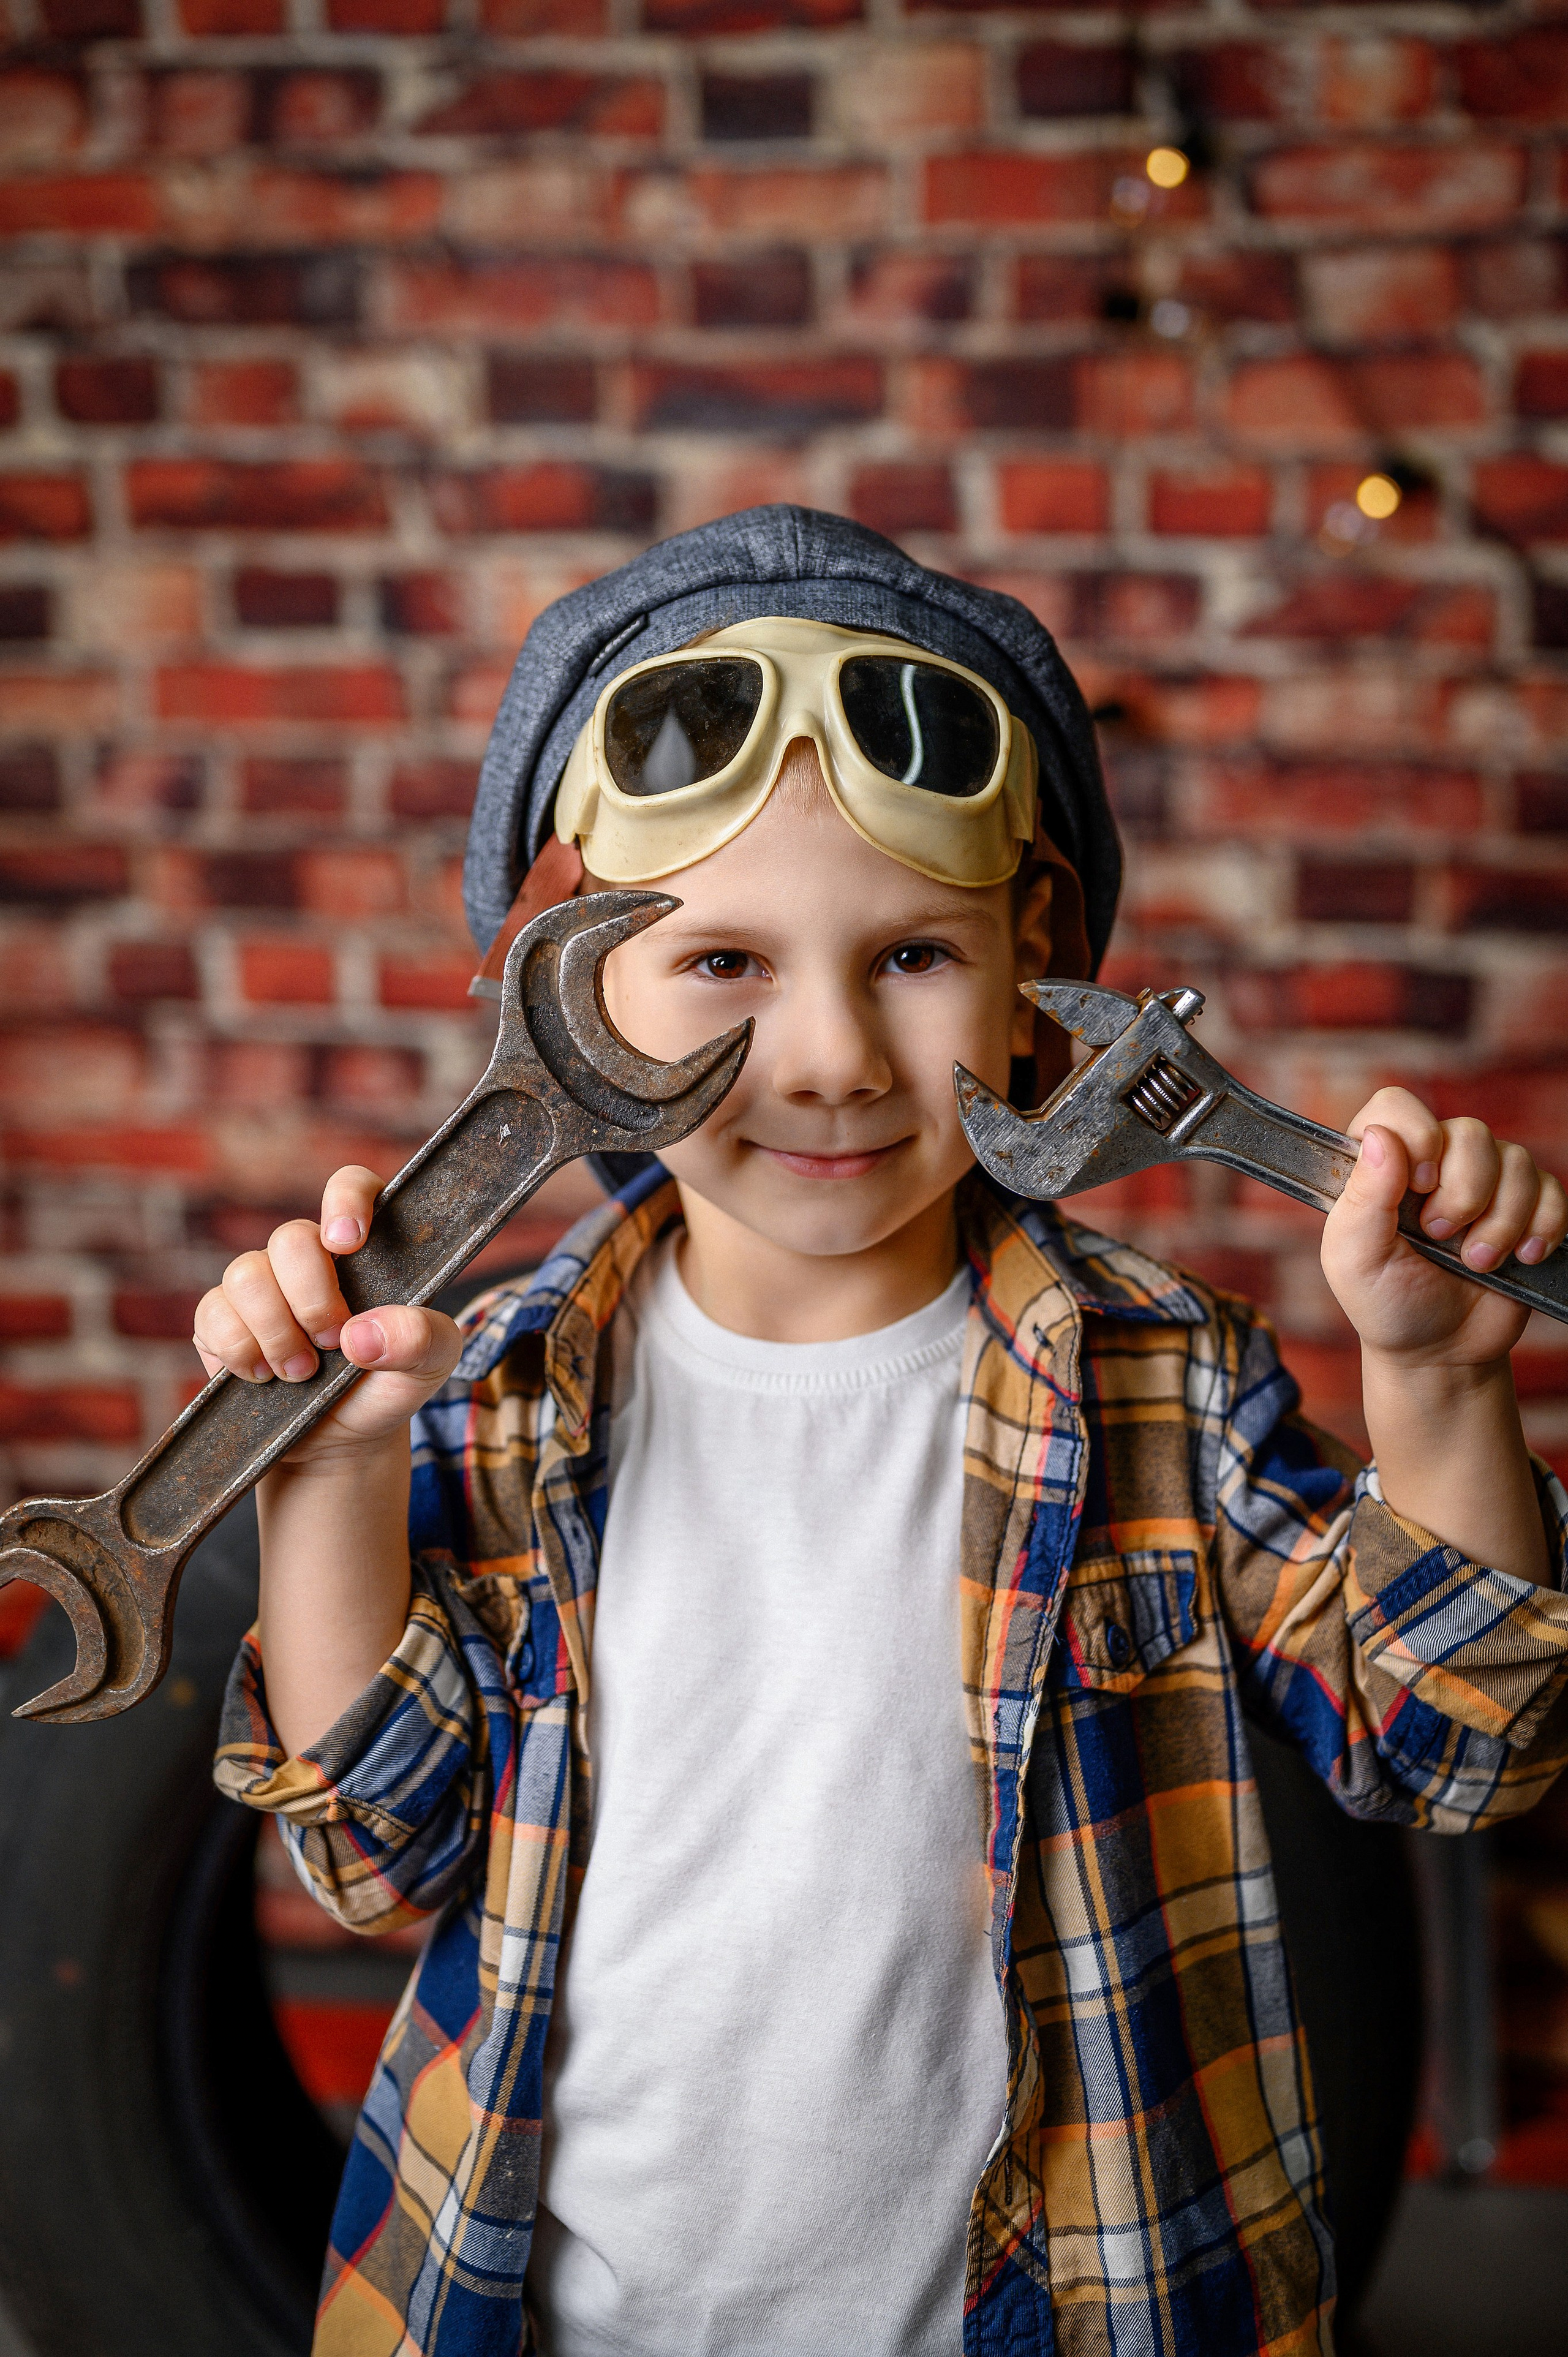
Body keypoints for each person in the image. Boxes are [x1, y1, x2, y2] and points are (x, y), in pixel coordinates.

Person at [211, 508, 1568, 2357]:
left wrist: (1444, 1381)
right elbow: (375, 1857)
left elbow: (1458, 1755)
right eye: (724, 962)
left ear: (1033, 977)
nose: (835, 1056)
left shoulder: (1163, 1385)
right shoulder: (494, 1394)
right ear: (566, 1001)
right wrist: (330, 1471)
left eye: (915, 957)